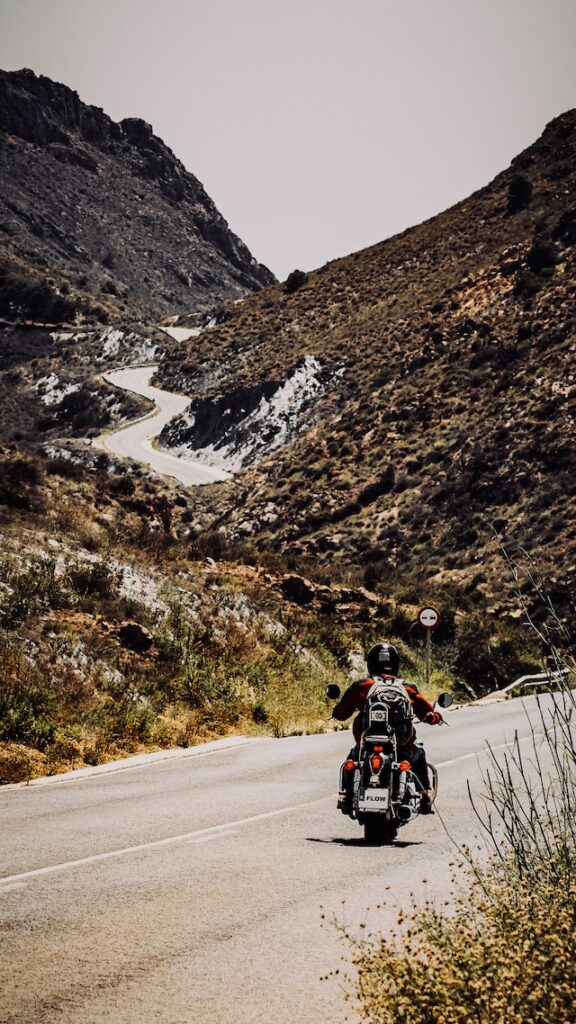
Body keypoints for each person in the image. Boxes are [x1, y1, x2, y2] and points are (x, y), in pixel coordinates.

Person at [332, 641, 442, 814]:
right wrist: (435, 717)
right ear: (396, 663)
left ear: (370, 663)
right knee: (419, 754)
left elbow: (341, 713)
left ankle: (345, 796)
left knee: (352, 760)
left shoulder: (362, 686)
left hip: (366, 743)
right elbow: (427, 712)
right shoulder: (407, 688)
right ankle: (425, 796)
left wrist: (337, 711)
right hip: (401, 745)